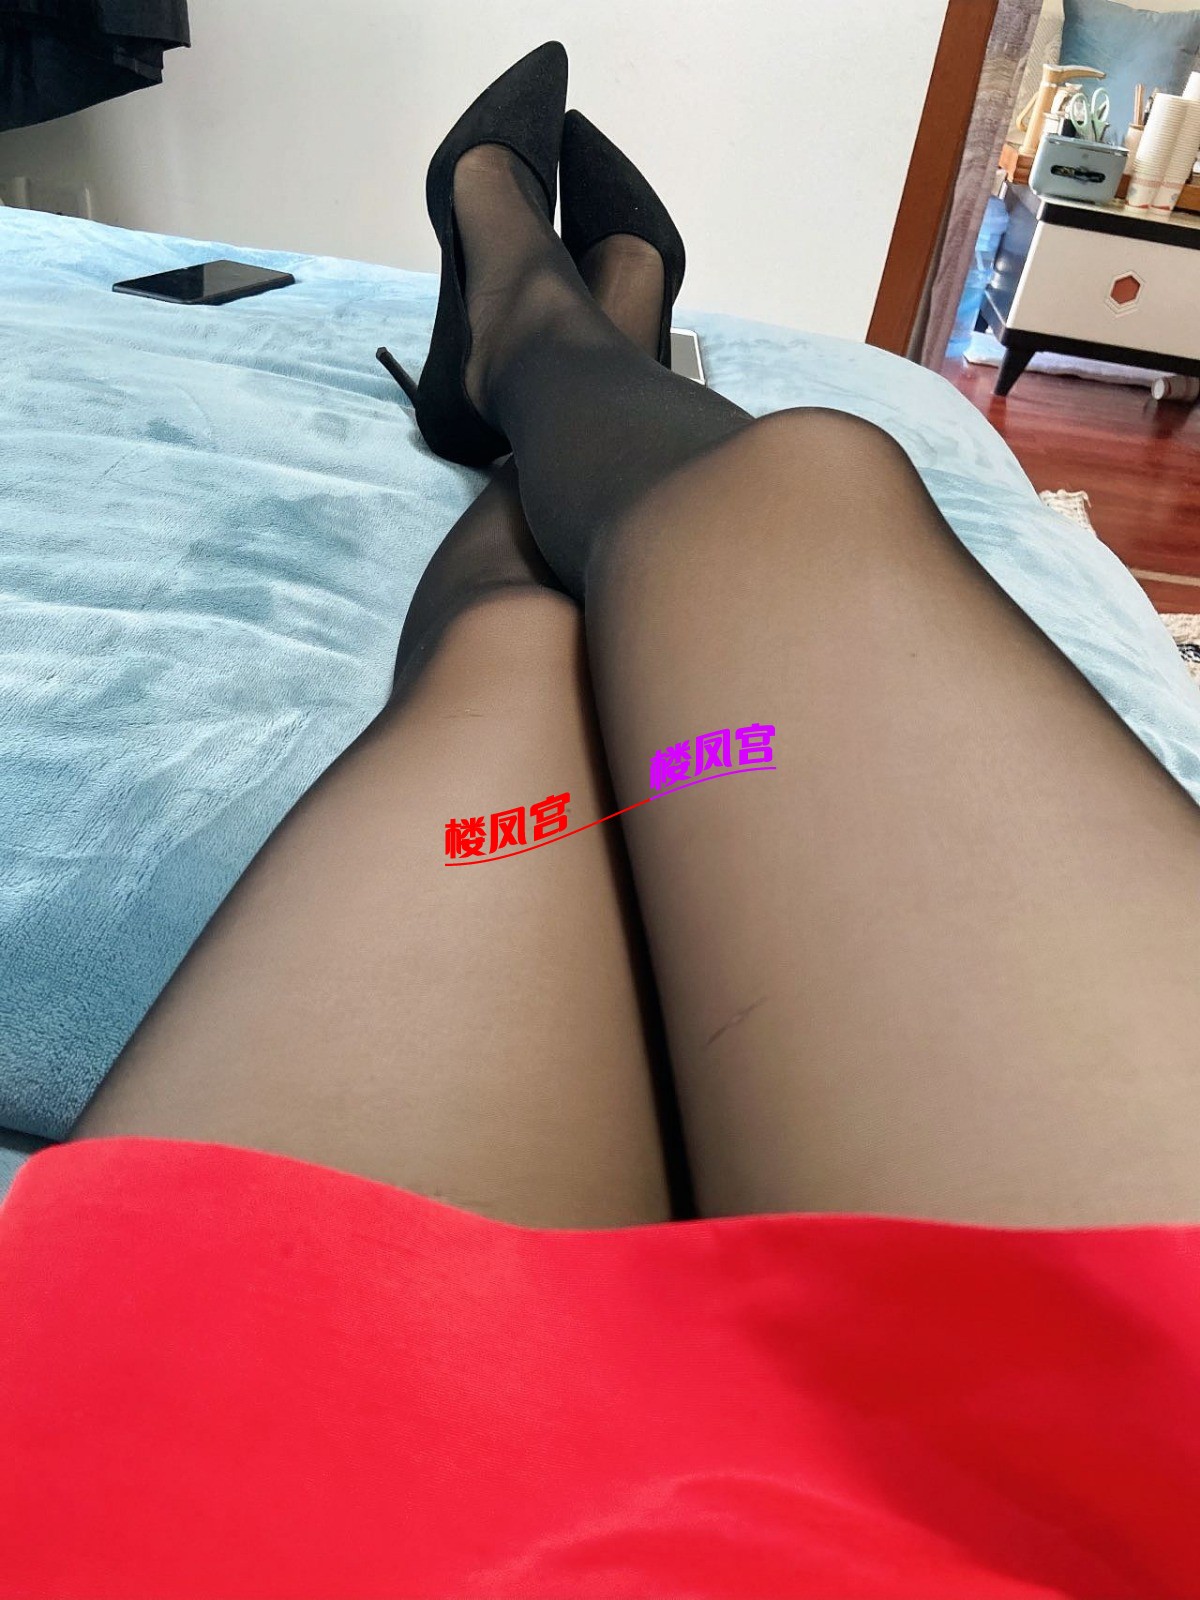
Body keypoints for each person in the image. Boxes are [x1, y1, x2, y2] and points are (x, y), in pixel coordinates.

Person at [3, 42, 1200, 1599]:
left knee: (547, 653)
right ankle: (567, 344)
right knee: (784, 505)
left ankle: (532, 340)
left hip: (253, 1499)